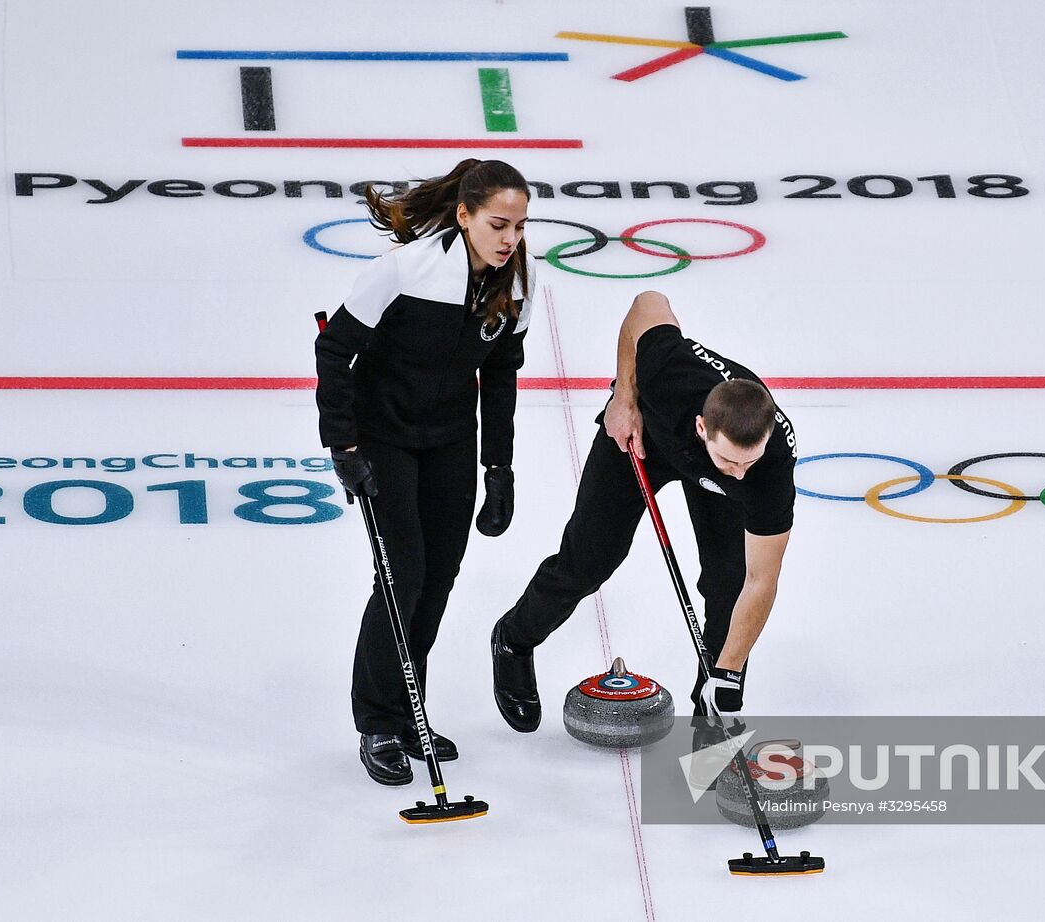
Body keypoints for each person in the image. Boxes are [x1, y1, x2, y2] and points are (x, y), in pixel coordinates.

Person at [315, 159, 535, 785]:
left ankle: (411, 709)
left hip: (451, 441)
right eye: (498, 225)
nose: (510, 240)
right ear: (464, 216)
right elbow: (334, 352)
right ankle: (378, 721)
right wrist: (344, 445)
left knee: (437, 578)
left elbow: (499, 375)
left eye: (519, 227)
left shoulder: (518, 278)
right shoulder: (404, 270)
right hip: (382, 437)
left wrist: (500, 467)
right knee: (402, 573)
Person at [490, 290, 796, 731]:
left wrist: (728, 673)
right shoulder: (670, 371)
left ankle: (712, 717)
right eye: (732, 460)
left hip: (708, 474)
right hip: (645, 439)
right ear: (702, 428)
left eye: (751, 460)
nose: (742, 473)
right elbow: (646, 305)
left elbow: (761, 580)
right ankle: (513, 640)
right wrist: (624, 398)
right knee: (589, 560)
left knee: (728, 582)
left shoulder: (766, 469)